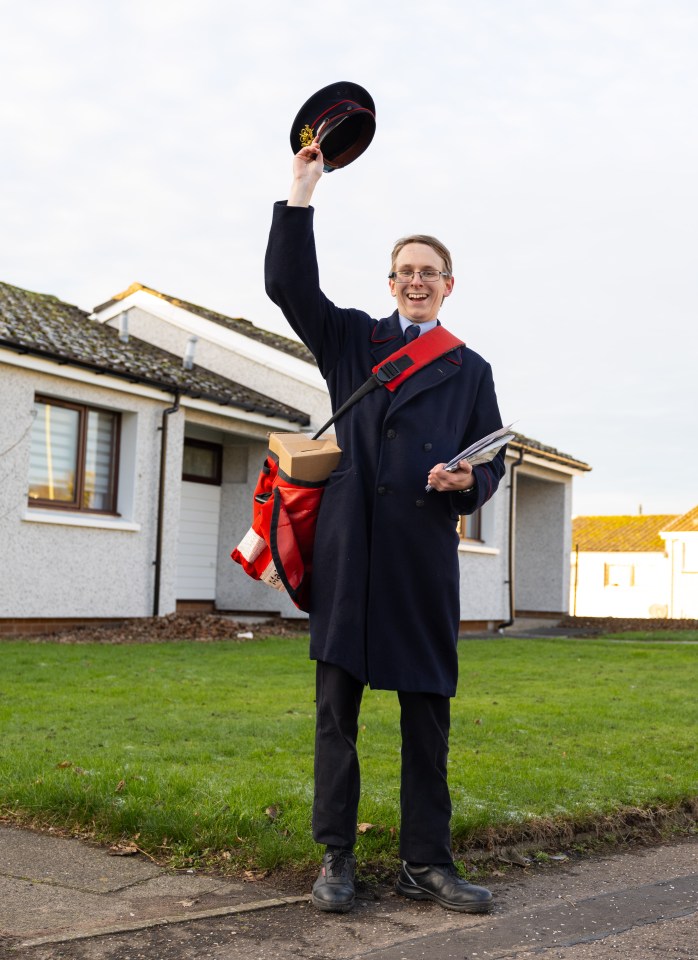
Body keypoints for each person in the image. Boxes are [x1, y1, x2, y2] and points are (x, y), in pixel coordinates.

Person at [264, 135, 507, 914]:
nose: (415, 281)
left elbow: (493, 457)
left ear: (448, 286)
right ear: (391, 282)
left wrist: (470, 479)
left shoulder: (470, 369)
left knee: (425, 719)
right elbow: (288, 287)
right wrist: (301, 193)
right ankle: (336, 858)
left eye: (427, 272)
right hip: (348, 556)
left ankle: (425, 863)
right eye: (404, 271)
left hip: (421, 558)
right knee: (336, 715)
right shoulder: (354, 342)